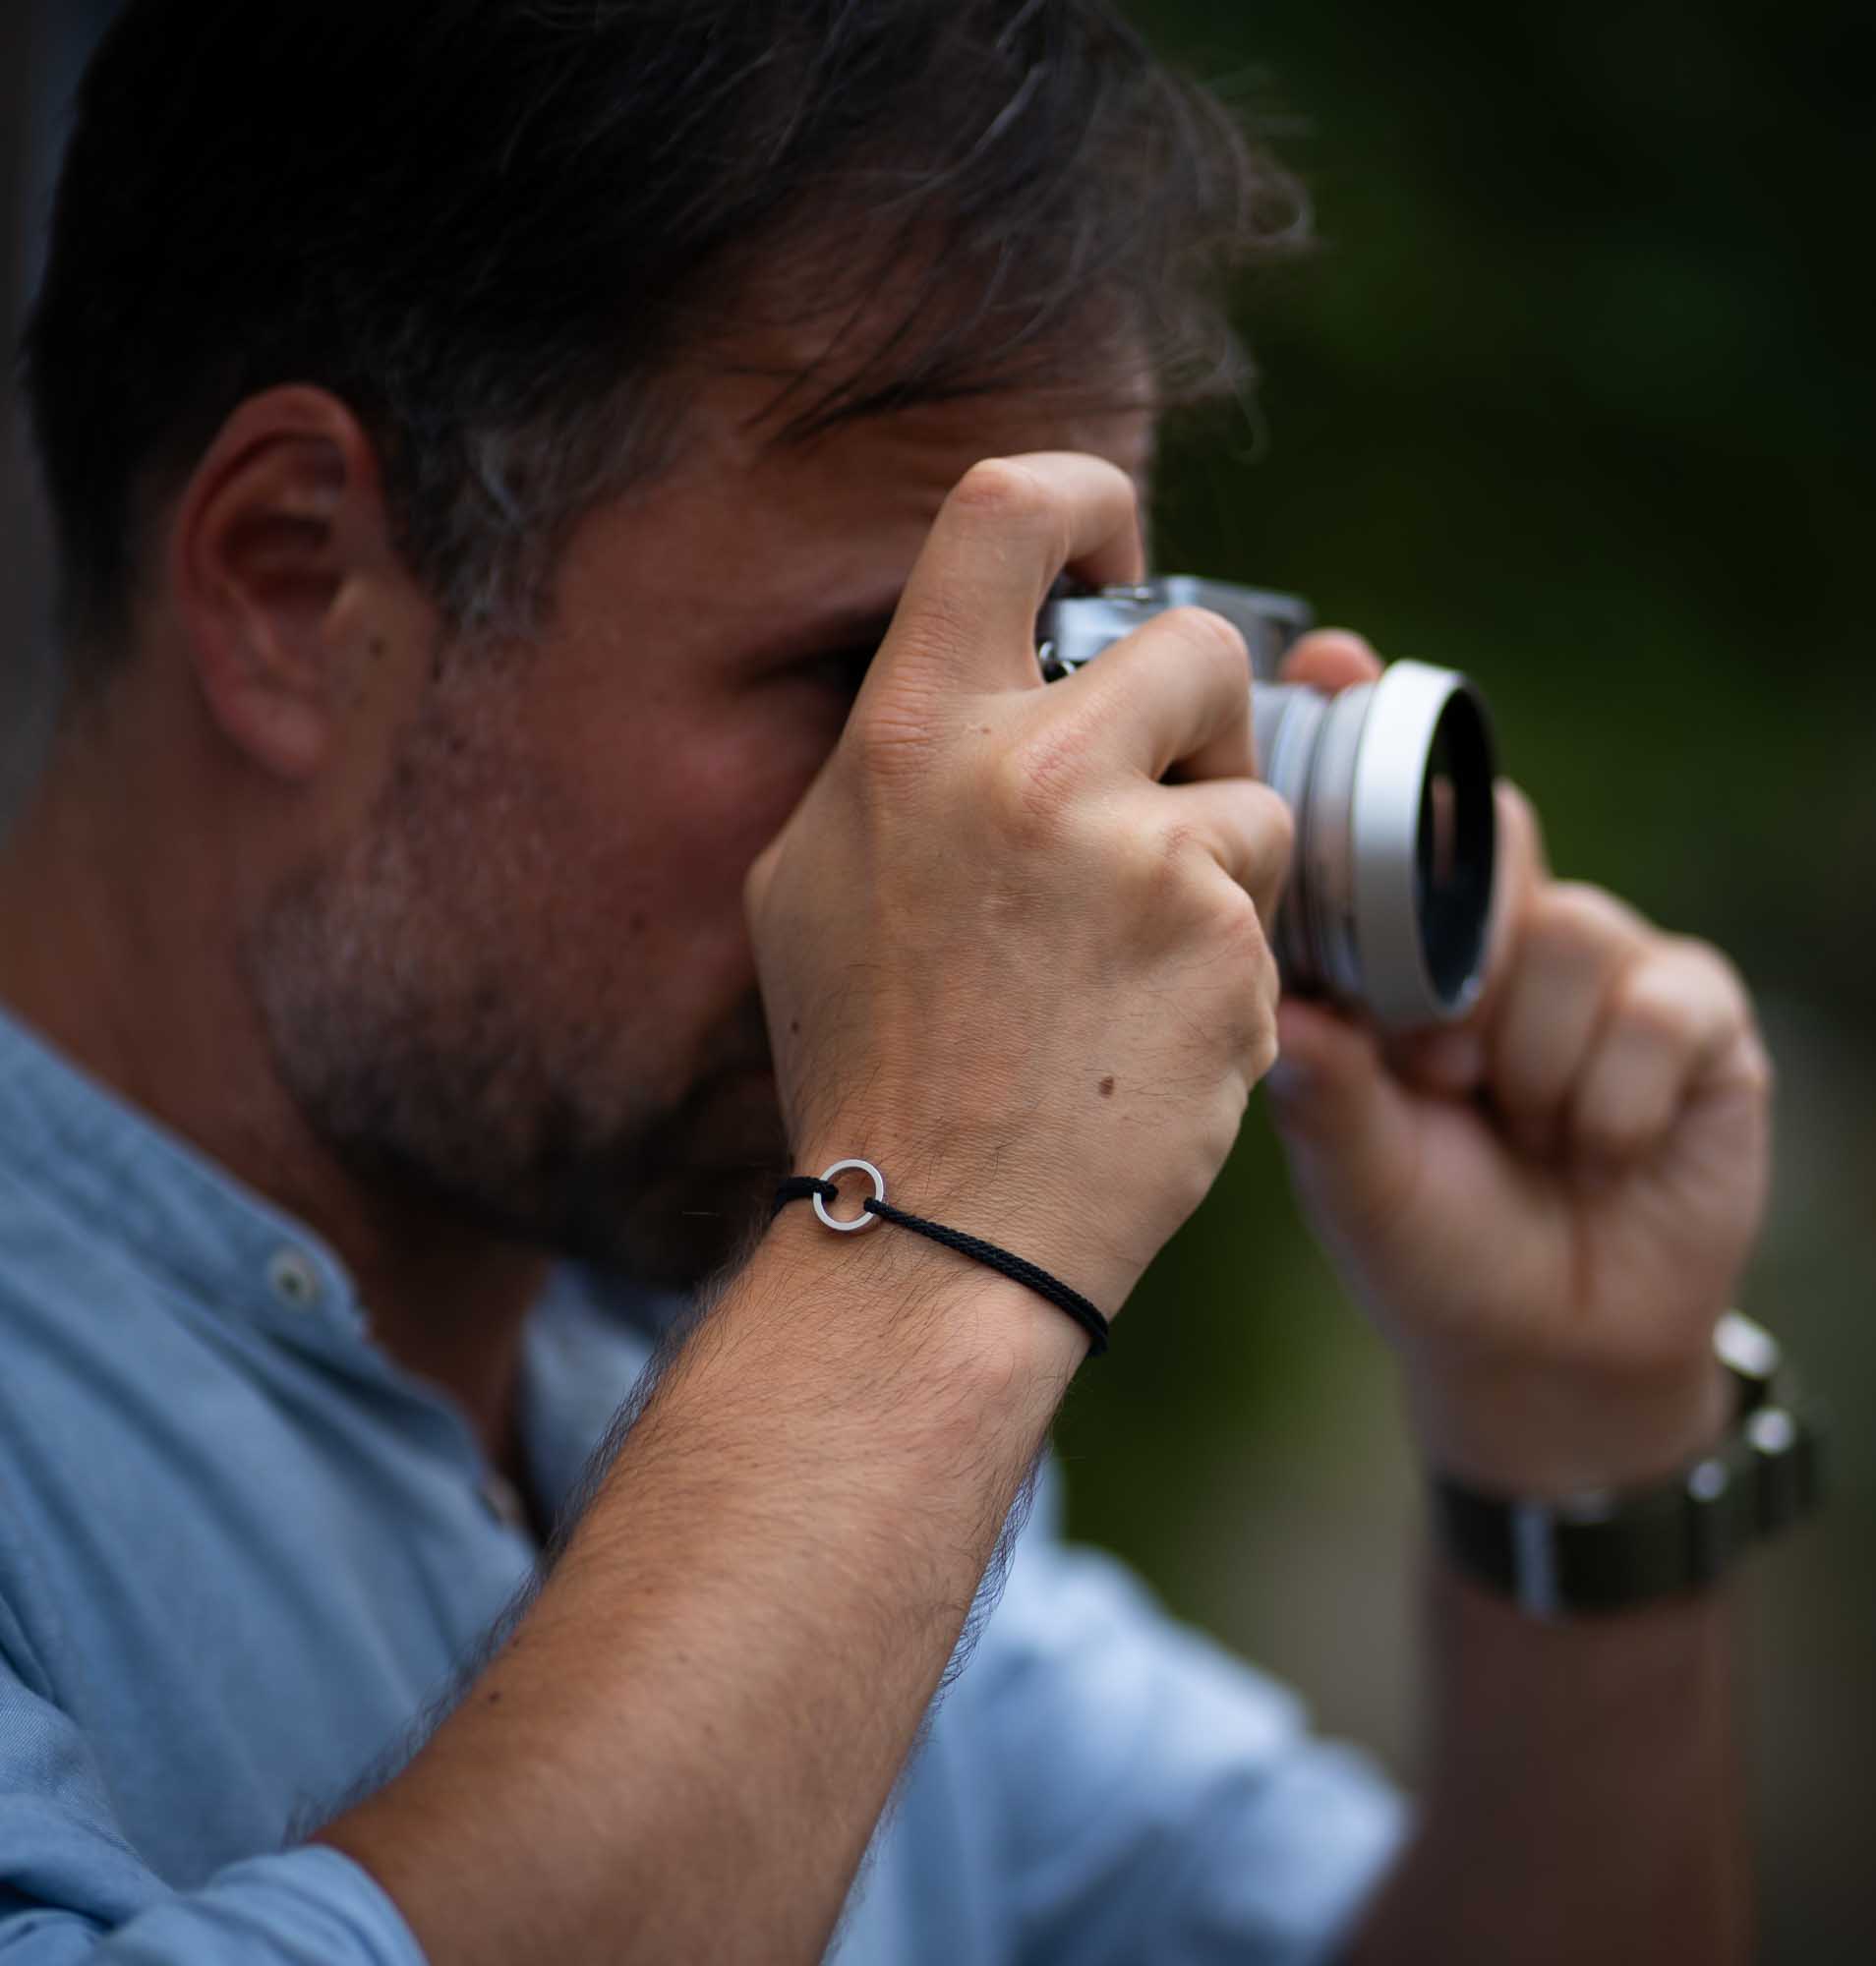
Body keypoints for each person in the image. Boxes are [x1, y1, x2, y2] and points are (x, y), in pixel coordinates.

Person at [0, 2, 1776, 1960]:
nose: (977, 825)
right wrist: (938, 1229)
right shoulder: (867, 1329)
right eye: (872, 677)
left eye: (1046, 672)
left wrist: (1580, 1435)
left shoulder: (700, 1376)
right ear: (291, 581)